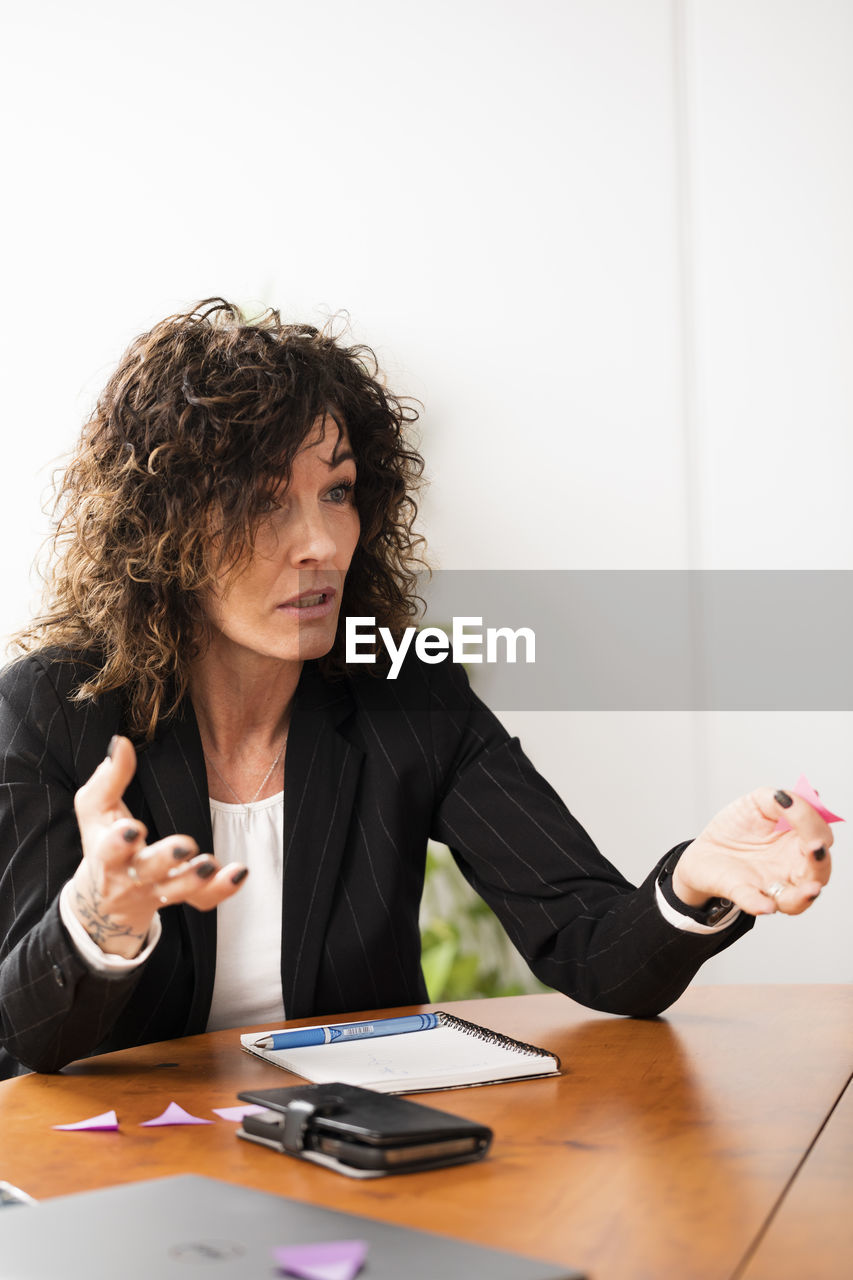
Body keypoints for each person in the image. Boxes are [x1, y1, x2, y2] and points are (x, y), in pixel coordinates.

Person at [0, 299, 833, 1079]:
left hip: (349, 1152)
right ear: (167, 530)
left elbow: (590, 948)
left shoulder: (406, 691)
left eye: (337, 492)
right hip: (123, 1177)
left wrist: (695, 878)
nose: (322, 542)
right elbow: (30, 1037)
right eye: (263, 503)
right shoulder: (49, 712)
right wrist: (100, 919)